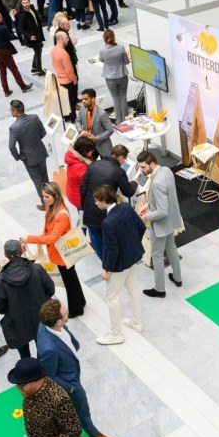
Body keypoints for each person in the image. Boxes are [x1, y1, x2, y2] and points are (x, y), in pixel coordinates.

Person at [37, 299, 114, 437]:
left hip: (68, 366)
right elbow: (49, 375)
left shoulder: (46, 323)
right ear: (58, 322)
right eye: (66, 314)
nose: (68, 315)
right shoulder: (49, 349)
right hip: (68, 381)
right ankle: (94, 434)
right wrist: (70, 388)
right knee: (82, 406)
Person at [23, 182, 87, 317]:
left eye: (47, 197)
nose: (44, 199)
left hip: (63, 254)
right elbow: (47, 231)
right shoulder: (52, 209)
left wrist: (30, 238)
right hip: (60, 253)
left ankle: (76, 309)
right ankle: (80, 303)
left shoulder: (61, 214)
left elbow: (52, 238)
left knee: (69, 281)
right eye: (43, 196)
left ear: (56, 196)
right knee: (71, 279)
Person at [94, 184, 145, 345]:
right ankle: (137, 322)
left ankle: (116, 334)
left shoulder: (108, 222)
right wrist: (133, 244)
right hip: (132, 257)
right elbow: (141, 226)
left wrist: (107, 270)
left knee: (112, 298)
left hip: (119, 265)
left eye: (97, 200)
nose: (95, 203)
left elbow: (112, 249)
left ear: (104, 201)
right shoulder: (125, 207)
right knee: (133, 289)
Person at [0, 239, 56, 358]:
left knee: (24, 356)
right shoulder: (37, 269)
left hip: (18, 323)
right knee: (42, 349)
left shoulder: (1, 280)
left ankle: (29, 368)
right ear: (22, 251)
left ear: (5, 255)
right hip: (40, 317)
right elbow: (51, 290)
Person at [137, 151, 183, 298]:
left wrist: (145, 217)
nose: (141, 171)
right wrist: (148, 205)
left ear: (152, 164)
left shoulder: (156, 183)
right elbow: (164, 198)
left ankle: (159, 289)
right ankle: (178, 278)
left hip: (161, 225)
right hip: (171, 221)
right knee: (172, 248)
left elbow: (162, 211)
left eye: (143, 167)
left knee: (156, 256)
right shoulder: (166, 171)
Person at [80, 145, 135, 257]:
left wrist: (84, 207)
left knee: (97, 238)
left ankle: (103, 260)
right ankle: (109, 263)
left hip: (89, 209)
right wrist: (135, 183)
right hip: (105, 212)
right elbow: (128, 192)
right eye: (124, 160)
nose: (124, 162)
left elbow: (83, 188)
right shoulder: (118, 171)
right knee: (108, 241)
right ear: (120, 157)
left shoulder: (93, 164)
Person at [8, 99, 50, 203]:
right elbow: (43, 133)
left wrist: (18, 157)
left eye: (10, 109)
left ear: (15, 111)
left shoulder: (14, 127)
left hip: (28, 158)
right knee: (45, 178)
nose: (9, 111)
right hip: (40, 153)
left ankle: (46, 203)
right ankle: (51, 199)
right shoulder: (35, 117)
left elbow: (11, 147)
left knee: (37, 182)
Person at [0, 11, 33, 97]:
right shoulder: (2, 28)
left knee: (2, 71)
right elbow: (10, 37)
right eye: (0, 17)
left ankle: (6, 91)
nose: (2, 18)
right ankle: (23, 86)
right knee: (14, 69)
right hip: (4, 51)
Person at [99, 30, 130, 122]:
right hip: (122, 76)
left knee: (115, 99)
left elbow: (102, 60)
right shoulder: (121, 48)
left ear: (104, 39)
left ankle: (119, 121)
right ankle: (126, 119)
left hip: (110, 79)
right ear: (114, 37)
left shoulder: (102, 51)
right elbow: (126, 62)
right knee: (123, 97)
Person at [78, 88, 116, 157]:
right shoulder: (82, 108)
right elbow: (77, 121)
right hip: (88, 144)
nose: (83, 101)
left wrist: (96, 138)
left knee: (106, 163)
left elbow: (110, 130)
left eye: (86, 99)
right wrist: (81, 130)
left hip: (102, 145)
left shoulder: (102, 113)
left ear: (93, 99)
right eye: (82, 99)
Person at [52, 31, 79, 121]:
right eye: (66, 38)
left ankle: (65, 117)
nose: (68, 40)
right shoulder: (63, 53)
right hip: (68, 81)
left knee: (64, 101)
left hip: (60, 80)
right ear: (61, 39)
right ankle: (73, 119)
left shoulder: (53, 50)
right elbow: (69, 70)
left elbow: (53, 64)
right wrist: (74, 79)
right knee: (71, 101)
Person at [16, 0, 47, 75]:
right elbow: (20, 28)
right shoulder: (22, 15)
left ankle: (34, 68)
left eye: (27, 2)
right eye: (24, 3)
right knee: (38, 52)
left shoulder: (32, 8)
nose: (26, 4)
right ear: (21, 4)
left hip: (37, 34)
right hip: (32, 37)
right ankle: (39, 71)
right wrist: (29, 36)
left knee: (37, 51)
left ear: (29, 2)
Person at [65, 137, 96, 208]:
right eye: (90, 149)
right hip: (80, 199)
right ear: (84, 151)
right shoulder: (81, 168)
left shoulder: (77, 157)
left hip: (74, 193)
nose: (93, 151)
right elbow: (90, 184)